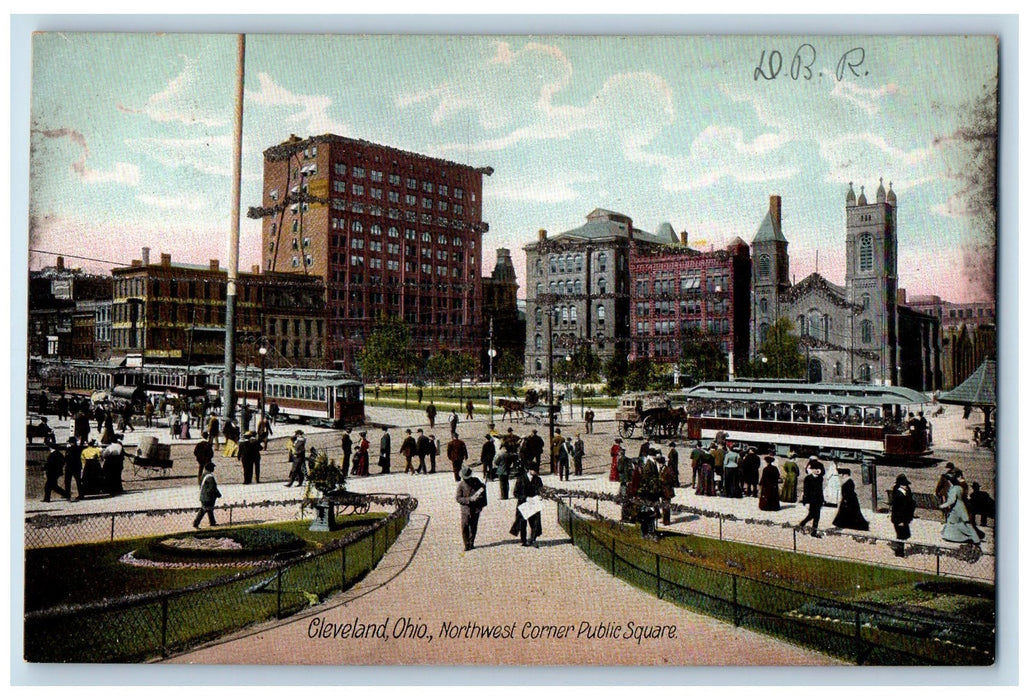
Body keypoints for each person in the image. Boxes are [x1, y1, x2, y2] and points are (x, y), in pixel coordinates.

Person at [940, 473, 981, 544]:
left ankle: (972, 538)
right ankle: (974, 538)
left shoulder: (953, 489)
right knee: (962, 523)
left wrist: (943, 506)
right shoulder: (959, 488)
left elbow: (951, 500)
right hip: (961, 507)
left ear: (950, 481)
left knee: (955, 522)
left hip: (956, 509)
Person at [455, 465, 488, 551]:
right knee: (465, 526)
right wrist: (469, 499)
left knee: (473, 527)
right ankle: (466, 545)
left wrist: (481, 501)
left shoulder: (477, 481)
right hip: (465, 510)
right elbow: (458, 498)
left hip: (476, 509)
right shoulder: (461, 485)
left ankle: (471, 543)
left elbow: (483, 491)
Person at [511, 465, 543, 547]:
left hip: (534, 504)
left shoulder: (538, 479)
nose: (536, 472)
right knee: (522, 523)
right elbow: (515, 493)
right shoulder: (521, 479)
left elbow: (541, 491)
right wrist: (525, 498)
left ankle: (532, 539)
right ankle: (524, 540)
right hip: (523, 504)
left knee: (535, 522)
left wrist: (540, 496)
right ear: (529, 470)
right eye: (534, 470)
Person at [889, 474, 916, 556]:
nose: (906, 486)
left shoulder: (904, 492)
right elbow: (898, 510)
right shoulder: (898, 494)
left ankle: (899, 550)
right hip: (899, 519)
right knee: (901, 535)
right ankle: (899, 553)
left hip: (903, 518)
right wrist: (900, 521)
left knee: (904, 535)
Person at [798, 462, 825, 536]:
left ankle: (813, 532)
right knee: (811, 515)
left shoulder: (820, 478)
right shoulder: (808, 478)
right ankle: (802, 524)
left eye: (817, 469)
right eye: (815, 469)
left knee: (817, 517)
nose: (816, 470)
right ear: (812, 469)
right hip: (811, 500)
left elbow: (820, 490)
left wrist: (822, 500)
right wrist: (806, 502)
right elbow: (806, 490)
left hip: (818, 500)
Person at [193, 463, 222, 529]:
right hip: (208, 497)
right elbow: (212, 488)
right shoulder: (210, 477)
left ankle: (212, 522)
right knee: (204, 510)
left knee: (209, 510)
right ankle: (196, 523)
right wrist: (218, 494)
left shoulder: (204, 475)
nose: (214, 469)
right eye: (213, 468)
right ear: (210, 468)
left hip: (203, 495)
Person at [63, 436, 83, 500]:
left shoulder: (69, 449)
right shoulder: (79, 448)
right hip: (77, 466)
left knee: (67, 481)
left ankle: (67, 494)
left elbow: (66, 458)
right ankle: (81, 494)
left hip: (70, 467)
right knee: (78, 481)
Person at [659, 456, 677, 526]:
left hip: (667, 490)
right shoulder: (661, 469)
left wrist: (664, 481)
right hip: (663, 491)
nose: (659, 464)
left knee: (666, 506)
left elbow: (672, 479)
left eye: (660, 463)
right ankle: (665, 520)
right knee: (664, 506)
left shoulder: (668, 469)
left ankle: (666, 521)